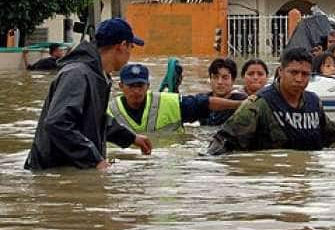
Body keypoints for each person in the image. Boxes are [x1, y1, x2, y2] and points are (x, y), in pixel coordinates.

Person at [24, 18, 152, 171]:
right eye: (131, 47)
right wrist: (94, 160)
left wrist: (131, 138)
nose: (130, 54)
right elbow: (57, 123)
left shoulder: (98, 75)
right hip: (55, 173)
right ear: (122, 46)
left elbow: (94, 120)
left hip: (71, 171)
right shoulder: (77, 74)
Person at [207, 48, 335, 154]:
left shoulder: (314, 102)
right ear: (281, 72)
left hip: (305, 178)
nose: (299, 79)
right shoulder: (259, 104)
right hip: (272, 179)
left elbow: (333, 138)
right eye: (293, 73)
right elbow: (222, 143)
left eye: (305, 74)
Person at [110, 63, 244, 131]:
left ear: (148, 86)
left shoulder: (169, 102)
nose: (136, 91)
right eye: (131, 86)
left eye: (140, 85)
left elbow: (204, 103)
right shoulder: (108, 111)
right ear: (121, 86)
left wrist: (240, 105)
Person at [197, 58, 248, 126]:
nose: (219, 82)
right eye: (215, 77)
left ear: (233, 80)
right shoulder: (200, 101)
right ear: (210, 79)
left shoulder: (244, 102)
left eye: (225, 78)